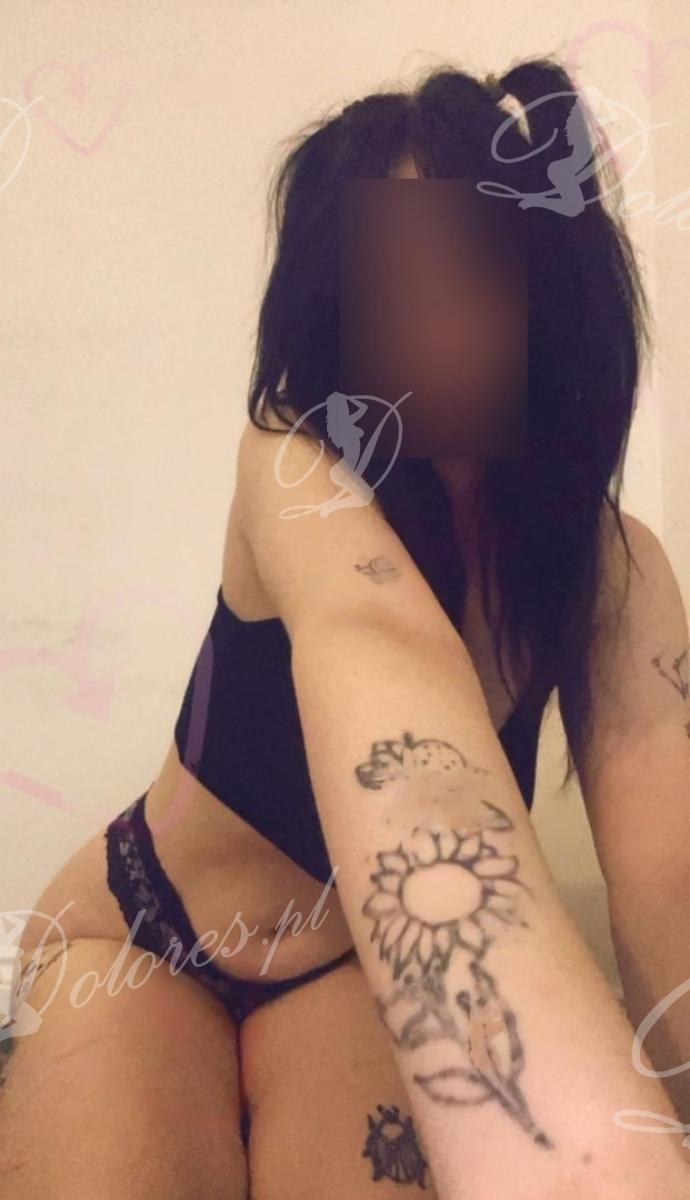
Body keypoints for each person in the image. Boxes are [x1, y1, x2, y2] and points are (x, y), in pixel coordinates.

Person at [5, 54, 690, 1200]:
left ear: (551, 283)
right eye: (391, 284)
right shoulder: (298, 467)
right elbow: (401, 721)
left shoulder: (612, 570)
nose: (438, 323)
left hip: (347, 973)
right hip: (145, 936)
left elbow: (667, 876)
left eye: (476, 270)